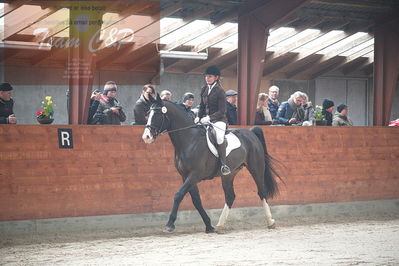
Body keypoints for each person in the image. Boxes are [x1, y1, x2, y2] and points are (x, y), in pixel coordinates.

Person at [195, 65, 231, 175]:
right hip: (205, 119)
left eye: (210, 76)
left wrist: (209, 118)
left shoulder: (220, 91)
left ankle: (224, 165)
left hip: (219, 120)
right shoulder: (204, 89)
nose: (207, 78)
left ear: (216, 77)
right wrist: (198, 117)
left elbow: (222, 111)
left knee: (219, 137)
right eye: (206, 76)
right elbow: (201, 105)